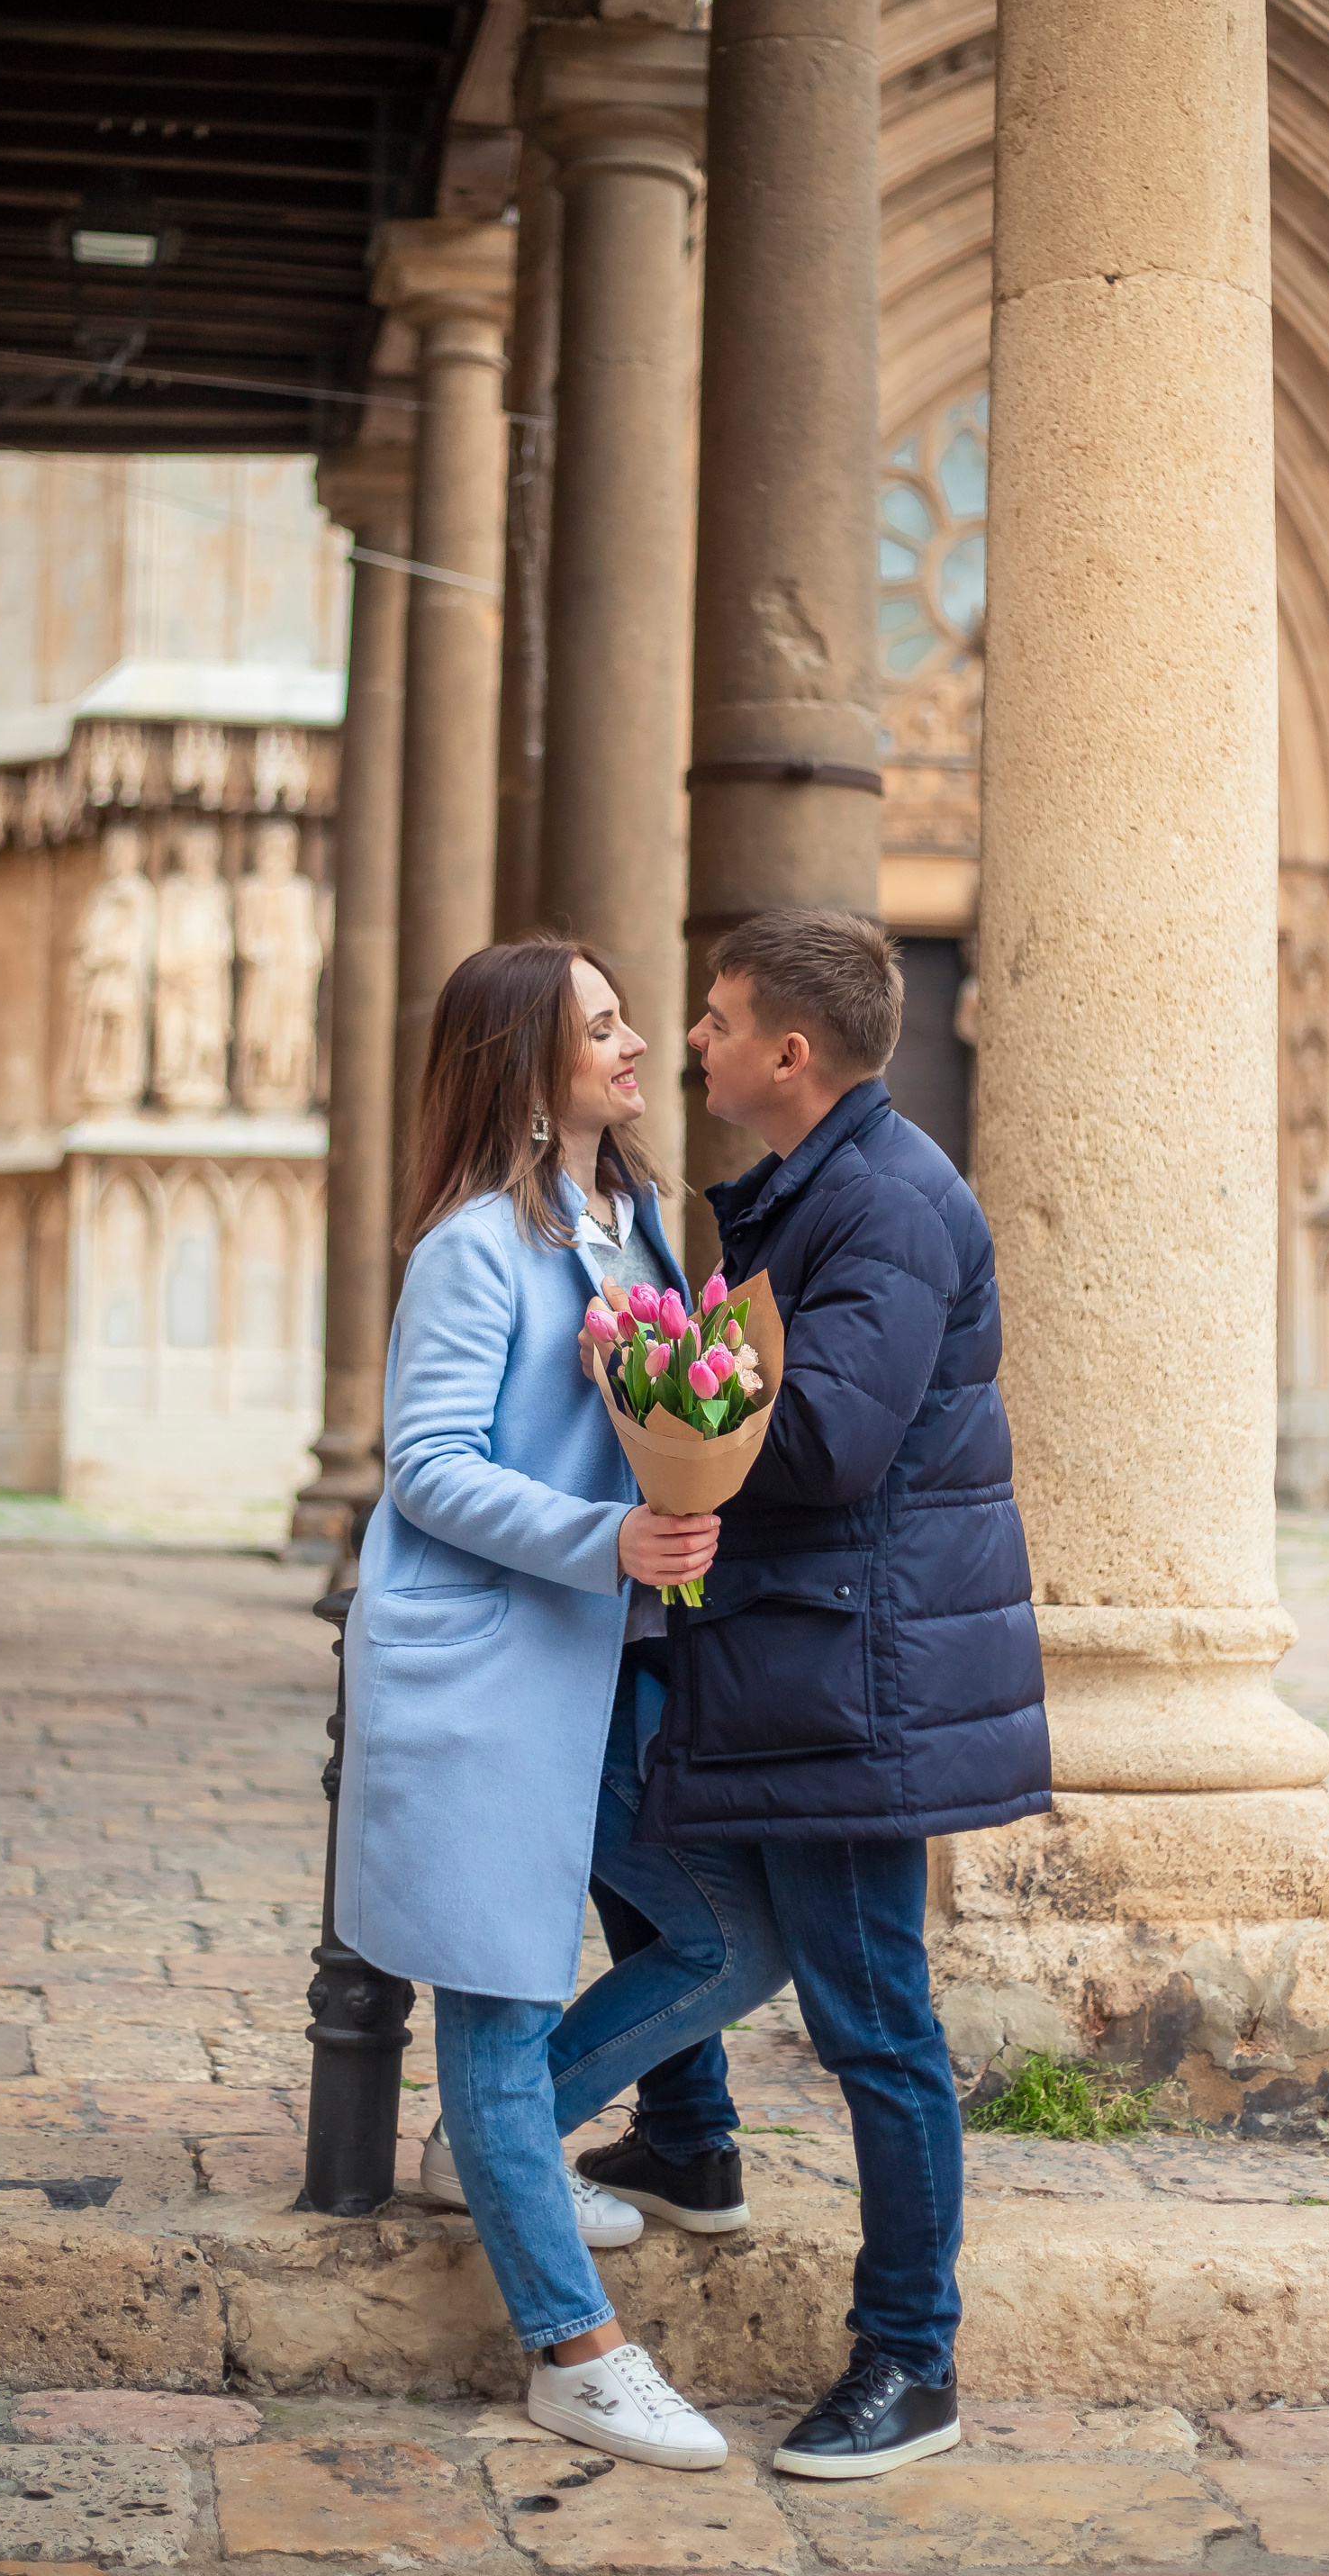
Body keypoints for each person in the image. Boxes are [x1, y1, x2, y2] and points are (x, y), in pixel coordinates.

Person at [567, 907, 1052, 2481]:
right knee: (647, 1843)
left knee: (878, 2026)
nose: (688, 1041)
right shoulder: (806, 1190)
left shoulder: (892, 1207)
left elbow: (833, 1439)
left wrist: (657, 1408)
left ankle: (912, 2362)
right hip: (790, 1645)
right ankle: (693, 2139)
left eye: (710, 1020)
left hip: (861, 1677)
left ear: (789, 1051)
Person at [333, 935, 730, 2470]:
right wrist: (609, 1540)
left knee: (720, 1926)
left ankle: (493, 2156)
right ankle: (575, 2349)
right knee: (497, 2003)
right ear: (525, 1062)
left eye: (631, 1022)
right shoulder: (468, 1250)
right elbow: (426, 1467)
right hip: (495, 1667)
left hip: (614, 1665)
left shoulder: (634, 1226)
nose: (637, 1048)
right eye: (605, 1028)